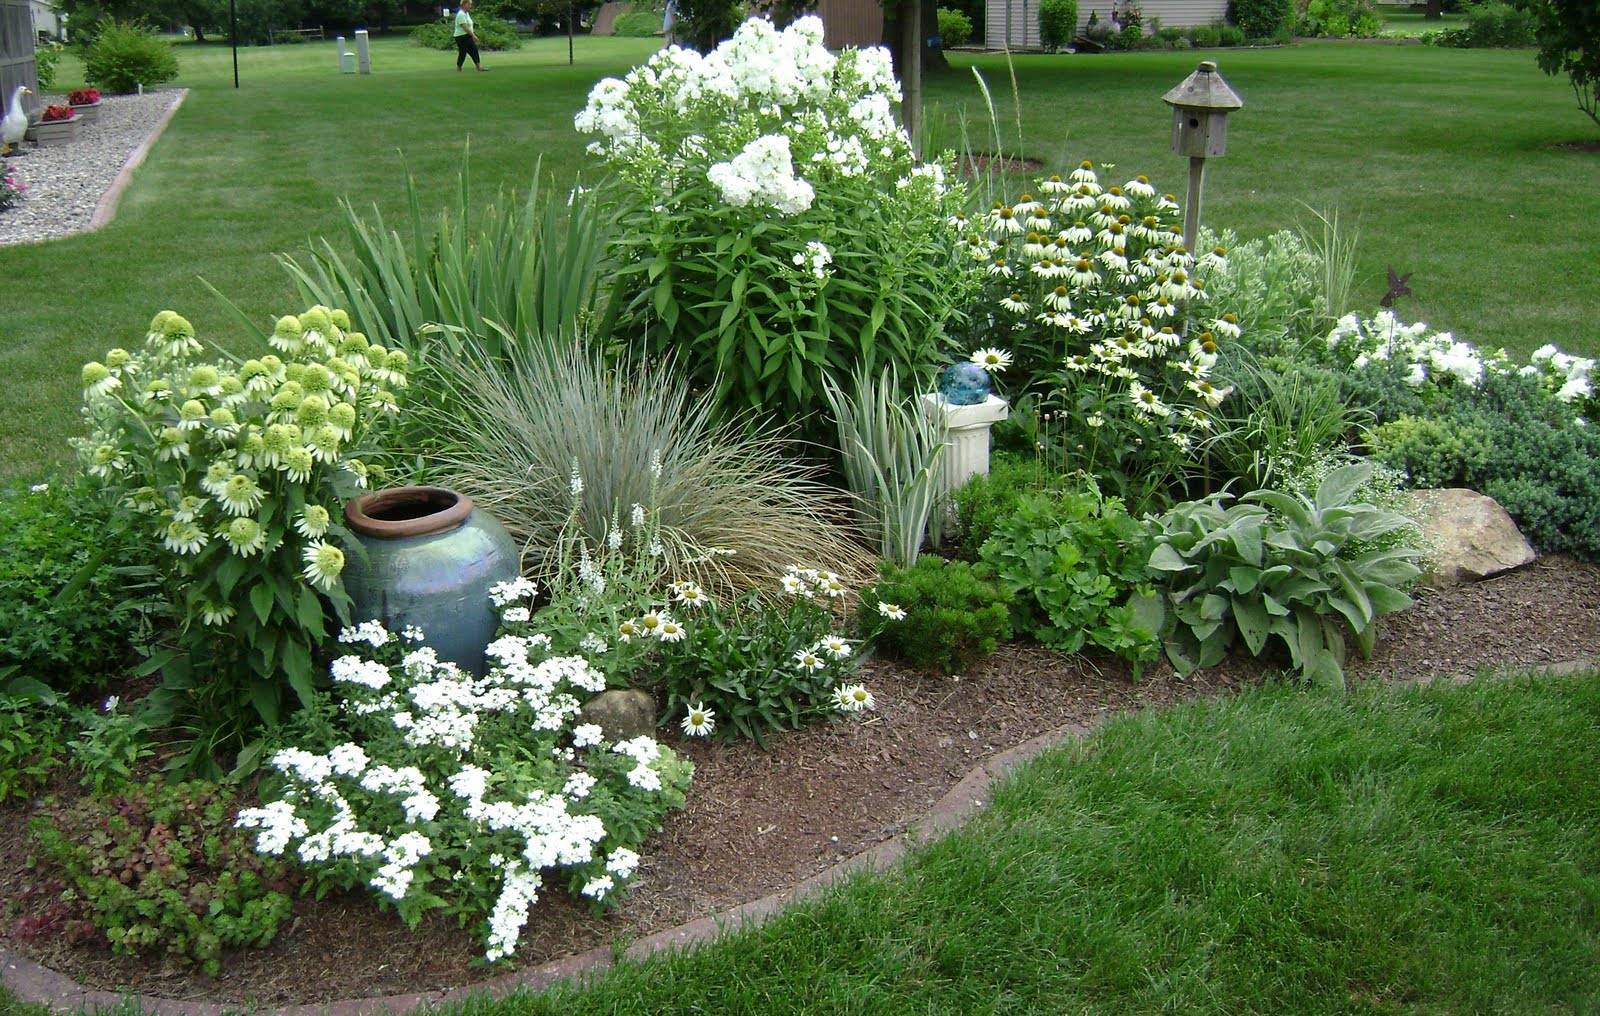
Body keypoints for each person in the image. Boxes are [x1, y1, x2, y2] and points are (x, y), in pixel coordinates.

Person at [454, 0, 486, 72]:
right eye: (469, 4)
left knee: (474, 51)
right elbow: (465, 27)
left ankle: (478, 67)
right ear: (464, 4)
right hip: (461, 36)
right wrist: (473, 36)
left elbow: (469, 25)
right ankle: (459, 67)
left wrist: (472, 34)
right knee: (463, 52)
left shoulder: (466, 13)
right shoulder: (461, 14)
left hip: (467, 35)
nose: (470, 6)